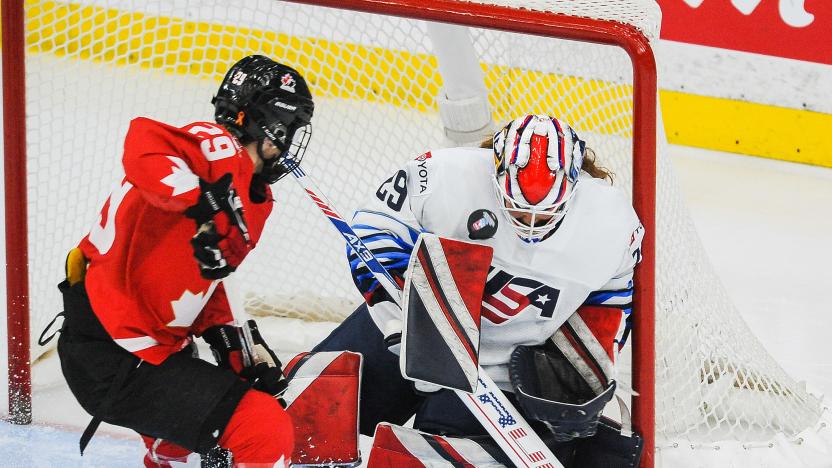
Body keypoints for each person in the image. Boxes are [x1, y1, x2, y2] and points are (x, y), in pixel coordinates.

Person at [313, 113, 645, 466]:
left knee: (422, 459)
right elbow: (374, 226)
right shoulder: (442, 176)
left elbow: (612, 298)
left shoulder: (612, 223)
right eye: (517, 209)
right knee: (312, 417)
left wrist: (580, 369)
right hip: (404, 330)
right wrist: (399, 313)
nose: (529, 223)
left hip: (496, 376)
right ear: (497, 172)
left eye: (544, 214)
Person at [54, 55, 314, 467]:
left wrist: (237, 351)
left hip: (124, 350)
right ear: (271, 124)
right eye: (292, 128)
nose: (290, 142)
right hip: (116, 352)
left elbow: (208, 279)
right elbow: (144, 142)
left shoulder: (250, 192)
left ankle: (166, 454)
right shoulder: (216, 148)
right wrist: (202, 202)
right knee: (265, 430)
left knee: (211, 413)